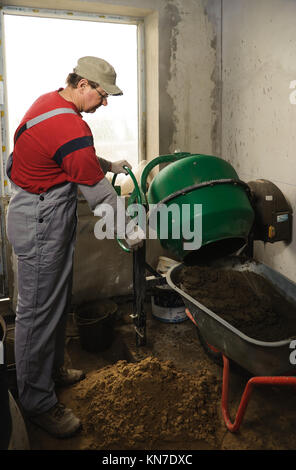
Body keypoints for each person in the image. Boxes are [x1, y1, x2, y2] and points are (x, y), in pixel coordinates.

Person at [6, 56, 143, 438]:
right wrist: (129, 229)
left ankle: (50, 373)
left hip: (45, 212)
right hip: (40, 219)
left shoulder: (51, 103)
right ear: (82, 84)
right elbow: (98, 192)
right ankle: (38, 404)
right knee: (36, 313)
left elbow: (72, 154)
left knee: (55, 301)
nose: (105, 103)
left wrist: (108, 163)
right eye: (102, 94)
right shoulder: (69, 124)